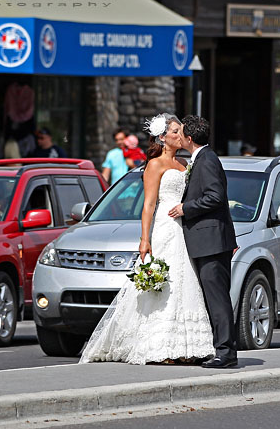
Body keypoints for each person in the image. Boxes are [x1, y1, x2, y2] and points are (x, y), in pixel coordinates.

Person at [80, 114, 214, 365]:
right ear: (162, 138)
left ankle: (186, 345)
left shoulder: (185, 164)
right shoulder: (155, 165)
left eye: (180, 131)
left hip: (183, 227)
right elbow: (149, 205)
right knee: (166, 281)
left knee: (185, 280)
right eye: (175, 131)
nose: (180, 135)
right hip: (164, 226)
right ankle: (160, 346)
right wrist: (145, 239)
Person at [168, 115, 238, 369]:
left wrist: (186, 207)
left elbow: (215, 197)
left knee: (217, 298)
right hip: (205, 241)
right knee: (211, 297)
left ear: (189, 138)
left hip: (212, 241)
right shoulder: (199, 159)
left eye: (181, 133)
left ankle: (226, 353)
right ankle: (220, 348)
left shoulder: (207, 160)